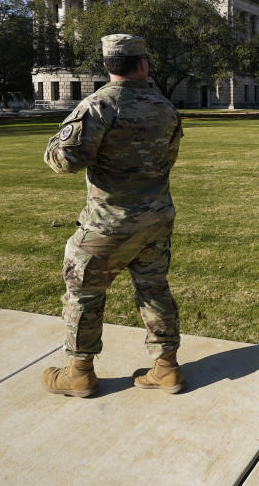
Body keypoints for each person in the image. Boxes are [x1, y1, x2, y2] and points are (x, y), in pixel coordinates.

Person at [41, 34, 185, 397]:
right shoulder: (165, 107)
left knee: (83, 294)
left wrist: (56, 147)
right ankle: (166, 367)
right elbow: (168, 157)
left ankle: (79, 372)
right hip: (155, 218)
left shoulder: (98, 106)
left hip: (108, 224)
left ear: (107, 66)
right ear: (143, 64)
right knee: (154, 290)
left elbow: (66, 162)